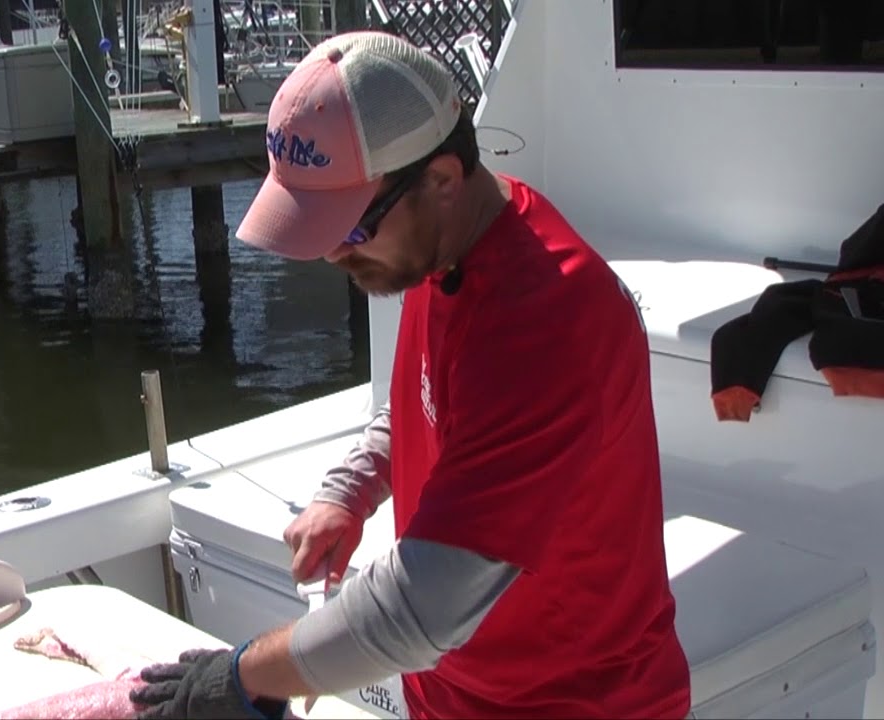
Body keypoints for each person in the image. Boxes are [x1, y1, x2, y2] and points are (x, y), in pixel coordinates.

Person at [130, 30, 693, 720]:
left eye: (350, 228)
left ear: (443, 179)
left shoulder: (547, 319)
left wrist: (245, 675)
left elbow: (425, 607)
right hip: (452, 694)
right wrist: (351, 490)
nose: (332, 254)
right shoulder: (440, 245)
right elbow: (425, 409)